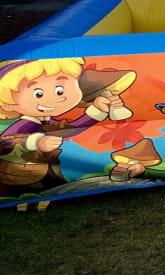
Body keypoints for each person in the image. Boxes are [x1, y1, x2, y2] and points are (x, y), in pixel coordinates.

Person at [0, 58, 128, 195]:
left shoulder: (46, 121)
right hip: (17, 173)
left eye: (60, 90)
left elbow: (70, 129)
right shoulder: (26, 123)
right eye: (39, 94)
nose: (59, 98)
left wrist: (97, 110)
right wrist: (36, 142)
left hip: (42, 169)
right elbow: (6, 140)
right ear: (8, 104)